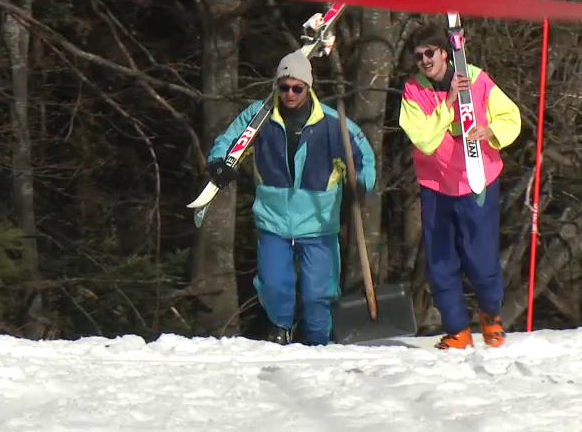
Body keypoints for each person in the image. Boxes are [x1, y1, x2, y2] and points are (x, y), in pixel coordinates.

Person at [205, 49, 376, 346]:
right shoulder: (259, 117)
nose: (290, 93)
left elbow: (366, 159)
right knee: (273, 285)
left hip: (318, 222)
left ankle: (318, 342)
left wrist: (360, 184)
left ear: (308, 88)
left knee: (318, 292)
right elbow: (229, 139)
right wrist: (218, 163)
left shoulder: (334, 124)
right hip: (273, 218)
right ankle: (281, 329)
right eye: (284, 87)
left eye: (297, 88)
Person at [398, 34, 521, 350]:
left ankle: (491, 317)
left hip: (476, 180)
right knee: (440, 260)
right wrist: (449, 103)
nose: (425, 60)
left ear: (444, 53)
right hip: (436, 185)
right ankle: (456, 329)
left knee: (480, 257)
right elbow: (423, 139)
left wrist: (491, 130)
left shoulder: (476, 78)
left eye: (429, 53)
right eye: (418, 56)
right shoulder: (413, 90)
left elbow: (511, 117)